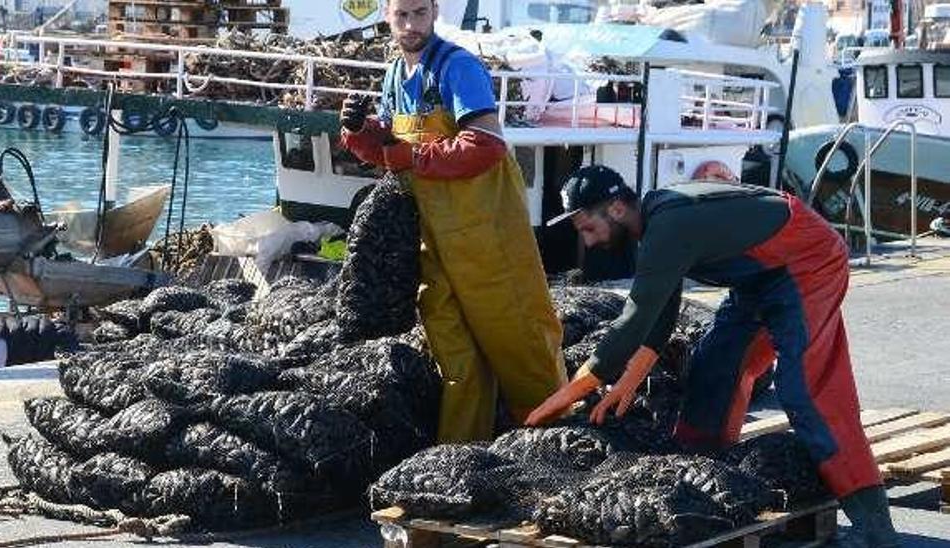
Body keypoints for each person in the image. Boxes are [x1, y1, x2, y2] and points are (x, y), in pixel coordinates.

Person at [527, 166, 899, 547]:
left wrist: (563, 397)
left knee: (807, 390)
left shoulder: (669, 225)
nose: (587, 243)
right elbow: (660, 313)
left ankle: (873, 525)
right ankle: (707, 479)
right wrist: (629, 379)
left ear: (617, 209)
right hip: (759, 279)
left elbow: (635, 317)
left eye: (588, 228)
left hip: (809, 263)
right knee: (714, 369)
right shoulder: (654, 229)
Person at [338, 0, 566, 442]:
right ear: (387, 15)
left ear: (435, 12)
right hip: (434, 238)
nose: (410, 25)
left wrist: (411, 154)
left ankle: (556, 436)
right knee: (453, 352)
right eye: (401, 15)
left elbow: (486, 144)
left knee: (521, 338)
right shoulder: (393, 74)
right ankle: (462, 450)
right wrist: (360, 132)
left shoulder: (457, 67)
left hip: (487, 234)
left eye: (419, 13)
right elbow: (390, 150)